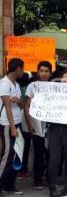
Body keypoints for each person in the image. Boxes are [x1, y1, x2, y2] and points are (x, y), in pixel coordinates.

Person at [47, 70, 67, 197]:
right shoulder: (53, 94)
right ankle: (52, 186)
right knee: (54, 159)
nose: (64, 82)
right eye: (63, 79)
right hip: (54, 129)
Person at [24, 61, 52, 189]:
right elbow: (26, 106)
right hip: (36, 125)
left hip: (52, 126)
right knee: (38, 153)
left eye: (46, 71)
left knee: (51, 153)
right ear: (38, 72)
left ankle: (49, 176)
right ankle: (37, 179)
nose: (44, 73)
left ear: (50, 73)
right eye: (41, 71)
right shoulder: (32, 86)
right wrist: (29, 124)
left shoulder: (55, 86)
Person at [0, 58, 24, 195]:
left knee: (17, 154)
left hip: (18, 122)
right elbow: (7, 106)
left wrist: (18, 100)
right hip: (7, 124)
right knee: (7, 154)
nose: (23, 72)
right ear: (18, 69)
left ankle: (10, 184)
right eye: (22, 69)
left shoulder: (16, 84)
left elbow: (19, 103)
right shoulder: (4, 83)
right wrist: (13, 127)